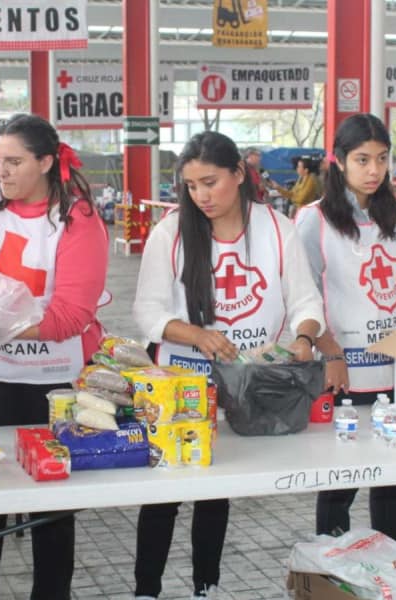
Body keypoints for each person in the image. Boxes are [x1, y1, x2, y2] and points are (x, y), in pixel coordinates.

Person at [132, 131, 326, 600]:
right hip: (179, 389)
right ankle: (146, 590)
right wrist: (196, 335)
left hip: (245, 390)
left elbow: (306, 300)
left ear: (239, 174)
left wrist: (304, 337)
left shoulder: (276, 228)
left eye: (210, 182)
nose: (201, 196)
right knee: (161, 497)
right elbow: (147, 312)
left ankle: (206, 587)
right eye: (191, 186)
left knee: (216, 493)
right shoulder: (171, 232)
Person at [0, 114, 108, 600]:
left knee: (51, 509)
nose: (1, 170)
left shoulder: (77, 218)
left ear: (45, 162)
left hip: (52, 380)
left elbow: (71, 316)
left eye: (14, 161)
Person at [295, 113, 396, 545]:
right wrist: (329, 352)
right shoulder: (315, 219)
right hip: (346, 372)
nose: (374, 170)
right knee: (341, 482)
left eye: (382, 158)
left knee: (391, 482)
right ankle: (331, 565)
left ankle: (395, 564)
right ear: (340, 160)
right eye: (363, 159)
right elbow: (304, 296)